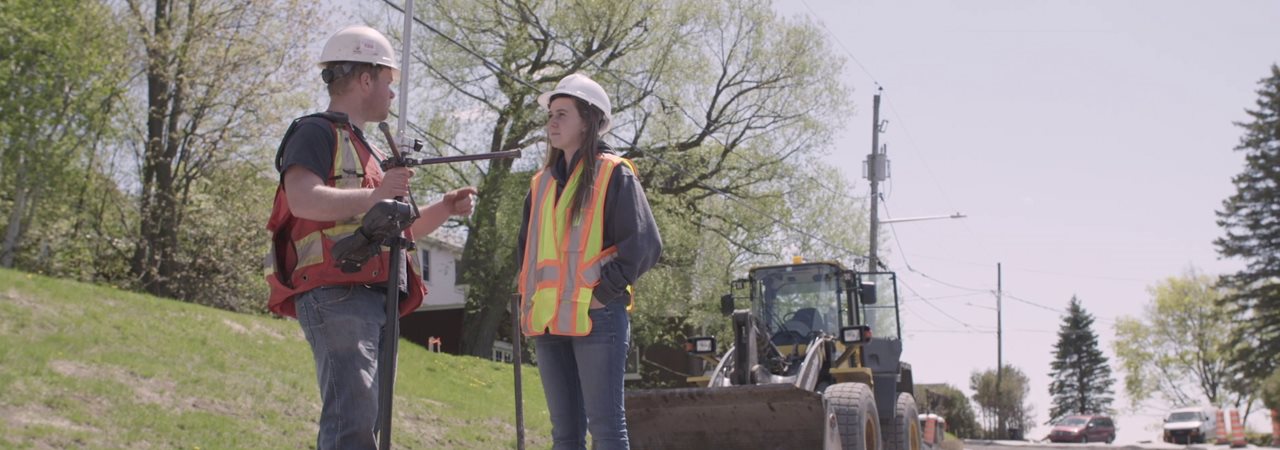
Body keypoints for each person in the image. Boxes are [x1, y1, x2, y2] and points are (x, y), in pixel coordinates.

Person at [263, 25, 476, 450]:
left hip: (375, 300)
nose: (392, 94)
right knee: (352, 425)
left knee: (367, 426)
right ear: (365, 79)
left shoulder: (370, 151)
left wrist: (445, 209)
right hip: (336, 293)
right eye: (388, 82)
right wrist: (377, 193)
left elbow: (402, 231)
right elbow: (302, 199)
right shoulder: (315, 131)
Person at [517, 73, 663, 450]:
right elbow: (528, 255)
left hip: (598, 318)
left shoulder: (614, 173)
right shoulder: (540, 184)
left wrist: (604, 293)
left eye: (562, 114)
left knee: (607, 431)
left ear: (589, 121)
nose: (552, 121)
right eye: (550, 113)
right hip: (549, 322)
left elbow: (644, 245)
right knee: (564, 435)